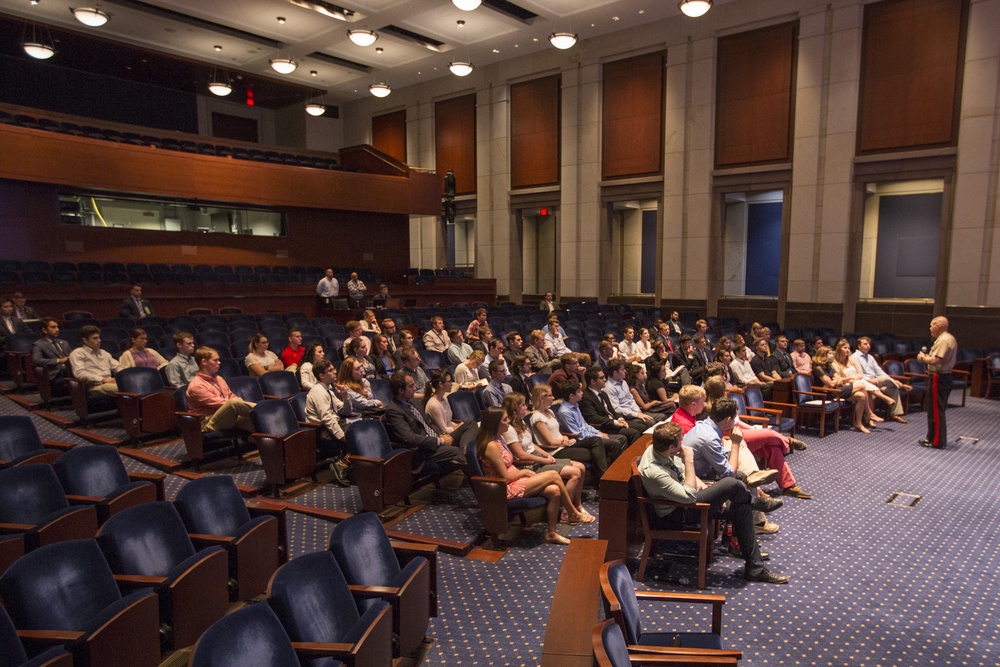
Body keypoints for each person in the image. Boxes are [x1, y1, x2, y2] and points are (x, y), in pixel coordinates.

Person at [639, 421, 788, 584]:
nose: (684, 444)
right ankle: (755, 502)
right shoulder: (654, 471)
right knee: (731, 483)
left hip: (688, 500)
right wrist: (689, 460)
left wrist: (708, 492)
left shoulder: (662, 451)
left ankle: (755, 568)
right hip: (678, 513)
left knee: (741, 508)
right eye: (681, 442)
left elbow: (684, 475)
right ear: (671, 447)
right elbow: (688, 496)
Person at [477, 406, 592, 545]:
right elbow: (505, 477)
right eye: (505, 419)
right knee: (554, 475)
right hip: (504, 488)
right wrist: (524, 472)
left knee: (554, 490)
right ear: (495, 423)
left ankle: (551, 534)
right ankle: (572, 512)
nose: (508, 422)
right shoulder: (491, 445)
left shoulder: (499, 438)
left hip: (516, 480)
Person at [703, 378, 810, 499]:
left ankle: (788, 486)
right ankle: (788, 441)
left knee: (773, 449)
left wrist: (752, 429)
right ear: (720, 391)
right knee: (768, 433)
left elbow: (737, 421)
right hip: (730, 437)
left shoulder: (725, 403)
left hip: (739, 432)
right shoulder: (711, 408)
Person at [502, 393, 591, 523]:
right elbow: (521, 455)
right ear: (515, 408)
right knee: (575, 473)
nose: (526, 407)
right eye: (523, 405)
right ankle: (567, 513)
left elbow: (531, 445)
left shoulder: (521, 423)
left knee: (581, 467)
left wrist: (545, 454)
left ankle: (577, 505)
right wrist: (544, 460)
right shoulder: (509, 429)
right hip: (529, 463)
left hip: (537, 457)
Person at [384, 371, 464, 474]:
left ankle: (465, 448)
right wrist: (440, 441)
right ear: (400, 390)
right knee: (465, 454)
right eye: (411, 386)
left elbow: (429, 423)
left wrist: (441, 434)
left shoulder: (414, 402)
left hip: (437, 440)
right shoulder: (394, 411)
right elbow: (410, 438)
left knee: (469, 426)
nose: (415, 388)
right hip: (423, 450)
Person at [531, 384, 610, 480]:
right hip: (555, 451)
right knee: (592, 453)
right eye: (550, 395)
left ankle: (603, 479)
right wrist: (566, 441)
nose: (553, 397)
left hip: (564, 445)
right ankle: (603, 480)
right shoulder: (537, 417)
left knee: (596, 440)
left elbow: (558, 433)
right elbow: (550, 441)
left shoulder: (550, 412)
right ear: (541, 398)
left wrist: (565, 437)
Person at [304, 358, 351, 487]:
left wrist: (346, 397)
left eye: (333, 369)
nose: (335, 371)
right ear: (321, 375)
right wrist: (342, 437)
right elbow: (327, 419)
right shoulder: (318, 392)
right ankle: (341, 466)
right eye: (330, 370)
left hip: (333, 425)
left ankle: (347, 465)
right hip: (321, 431)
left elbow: (343, 410)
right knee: (353, 437)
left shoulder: (328, 389)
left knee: (358, 432)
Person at [185, 346, 254, 433]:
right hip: (207, 422)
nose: (219, 362)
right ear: (204, 362)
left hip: (226, 416)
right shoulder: (196, 386)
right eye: (215, 360)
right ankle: (261, 410)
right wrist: (243, 403)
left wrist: (239, 402)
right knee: (233, 404)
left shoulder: (219, 378)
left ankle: (258, 443)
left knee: (255, 421)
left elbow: (230, 395)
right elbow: (222, 403)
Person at [851, 336, 911, 424]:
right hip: (865, 382)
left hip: (876, 380)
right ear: (859, 346)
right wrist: (868, 380)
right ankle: (900, 385)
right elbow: (857, 374)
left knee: (893, 389)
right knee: (888, 381)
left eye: (869, 344)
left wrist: (889, 380)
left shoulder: (870, 357)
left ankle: (894, 414)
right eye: (865, 344)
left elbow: (879, 372)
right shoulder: (854, 357)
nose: (868, 346)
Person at [812, 346, 871, 433]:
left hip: (836, 390)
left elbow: (838, 379)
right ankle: (869, 413)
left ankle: (858, 423)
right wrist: (835, 380)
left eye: (832, 353)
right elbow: (830, 384)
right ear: (823, 355)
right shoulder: (818, 368)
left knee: (861, 396)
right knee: (861, 385)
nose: (832, 355)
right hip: (829, 393)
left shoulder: (829, 366)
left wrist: (835, 380)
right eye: (830, 353)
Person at [918, 316, 957, 449]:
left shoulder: (944, 340)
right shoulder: (947, 338)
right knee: (934, 409)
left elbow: (937, 361)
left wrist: (923, 358)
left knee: (936, 410)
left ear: (938, 326)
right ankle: (932, 437)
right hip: (941, 376)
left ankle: (937, 441)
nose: (930, 328)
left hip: (938, 377)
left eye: (931, 325)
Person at [579, 367, 641, 445]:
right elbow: (594, 418)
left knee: (641, 426)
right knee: (633, 433)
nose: (605, 379)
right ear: (593, 382)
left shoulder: (603, 393)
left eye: (604, 377)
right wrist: (615, 422)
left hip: (613, 423)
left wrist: (620, 418)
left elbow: (612, 410)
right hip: (604, 426)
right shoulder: (586, 397)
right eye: (601, 378)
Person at [604, 358, 664, 428]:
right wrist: (636, 414)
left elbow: (631, 400)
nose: (625, 371)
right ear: (615, 373)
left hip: (634, 412)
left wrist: (637, 411)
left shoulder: (623, 382)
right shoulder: (609, 388)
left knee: (662, 417)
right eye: (622, 369)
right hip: (626, 417)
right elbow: (617, 409)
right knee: (651, 422)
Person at [68, 325, 119, 395]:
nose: (99, 340)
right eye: (95, 338)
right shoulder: (78, 353)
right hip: (95, 385)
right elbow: (80, 374)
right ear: (85, 340)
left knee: (132, 384)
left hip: (110, 382)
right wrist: (103, 379)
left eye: (99, 337)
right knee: (124, 388)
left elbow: (118, 367)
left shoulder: (104, 353)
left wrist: (125, 375)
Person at [31, 317, 72, 395]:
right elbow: (36, 360)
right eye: (53, 327)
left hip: (69, 371)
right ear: (44, 330)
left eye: (57, 327)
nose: (57, 329)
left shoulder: (64, 342)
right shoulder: (39, 345)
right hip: (55, 375)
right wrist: (59, 360)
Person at [424, 369, 461, 435]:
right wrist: (459, 427)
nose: (452, 384)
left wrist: (458, 425)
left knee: (471, 425)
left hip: (453, 432)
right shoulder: (434, 405)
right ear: (441, 384)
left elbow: (448, 422)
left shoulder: (444, 399)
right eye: (449, 381)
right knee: (471, 425)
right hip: (447, 437)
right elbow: (444, 430)